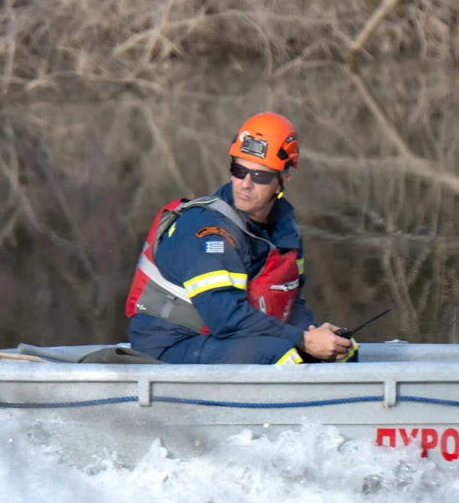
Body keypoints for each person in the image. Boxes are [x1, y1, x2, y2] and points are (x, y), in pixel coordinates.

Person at [125, 111, 355, 366]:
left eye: (260, 176)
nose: (245, 184)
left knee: (342, 351)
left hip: (225, 339)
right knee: (284, 357)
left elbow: (292, 303)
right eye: (239, 170)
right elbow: (225, 318)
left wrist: (314, 334)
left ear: (282, 180)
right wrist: (302, 340)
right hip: (171, 344)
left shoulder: (285, 231)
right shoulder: (207, 229)